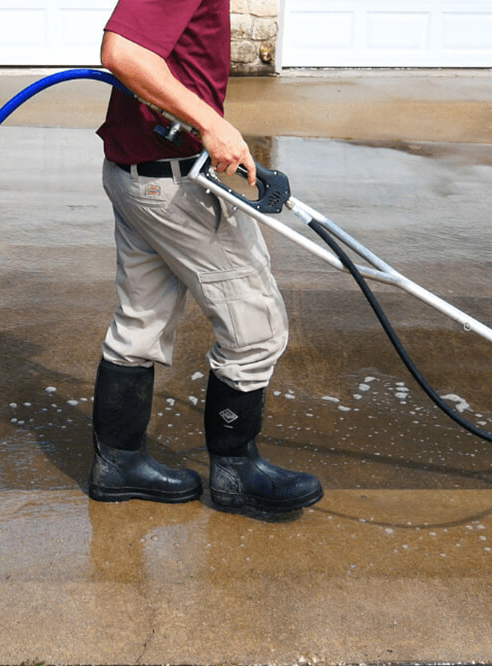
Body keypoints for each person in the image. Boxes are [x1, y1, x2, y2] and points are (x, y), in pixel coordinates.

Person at [87, 0, 322, 513]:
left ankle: (118, 463)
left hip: (138, 173)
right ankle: (238, 475)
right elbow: (123, 52)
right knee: (256, 330)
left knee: (140, 323)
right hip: (175, 186)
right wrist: (212, 126)